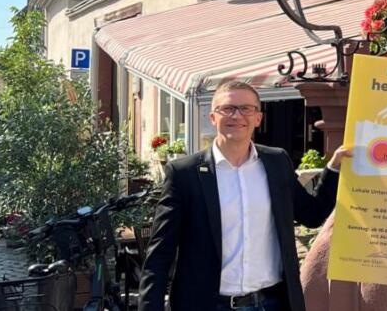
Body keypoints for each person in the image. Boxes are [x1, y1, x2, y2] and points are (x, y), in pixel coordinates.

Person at [139, 81, 351, 311]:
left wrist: (334, 168)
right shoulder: (185, 174)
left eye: (246, 109)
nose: (237, 115)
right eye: (227, 108)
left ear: (258, 118)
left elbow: (312, 214)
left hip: (272, 303)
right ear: (213, 117)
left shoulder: (277, 162)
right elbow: (160, 254)